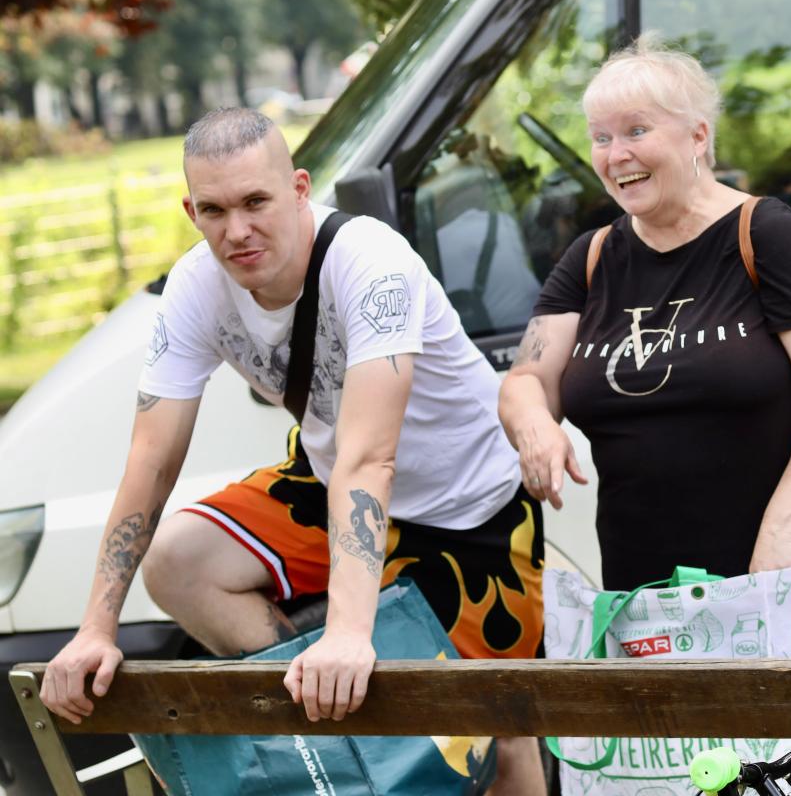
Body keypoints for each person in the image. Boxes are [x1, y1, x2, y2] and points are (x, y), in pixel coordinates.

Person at [40, 108, 546, 795]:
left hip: (467, 506)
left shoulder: (372, 263)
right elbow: (151, 461)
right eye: (214, 210)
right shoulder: (195, 286)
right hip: (329, 480)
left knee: (498, 734)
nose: (237, 231)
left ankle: (357, 705)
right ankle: (329, 730)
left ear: (300, 189)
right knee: (180, 562)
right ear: (191, 211)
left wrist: (348, 632)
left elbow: (371, 459)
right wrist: (95, 630)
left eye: (256, 202)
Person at [498, 36, 791, 654]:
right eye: (601, 137)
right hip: (646, 598)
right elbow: (525, 380)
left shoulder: (766, 233)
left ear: (698, 136)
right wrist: (535, 425)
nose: (616, 155)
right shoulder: (591, 258)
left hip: (775, 580)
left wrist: (782, 530)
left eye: (636, 130)